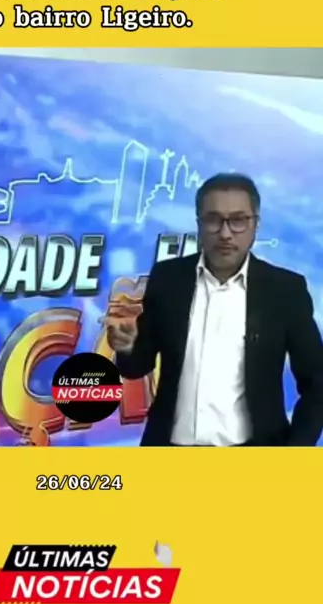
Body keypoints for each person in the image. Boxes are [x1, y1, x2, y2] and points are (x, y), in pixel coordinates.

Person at [105, 173, 323, 446]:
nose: (225, 233)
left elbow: (317, 384)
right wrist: (127, 347)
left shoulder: (285, 291)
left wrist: (293, 454)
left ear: (256, 224)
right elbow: (137, 366)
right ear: (199, 223)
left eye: (238, 220)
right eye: (213, 219)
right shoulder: (167, 279)